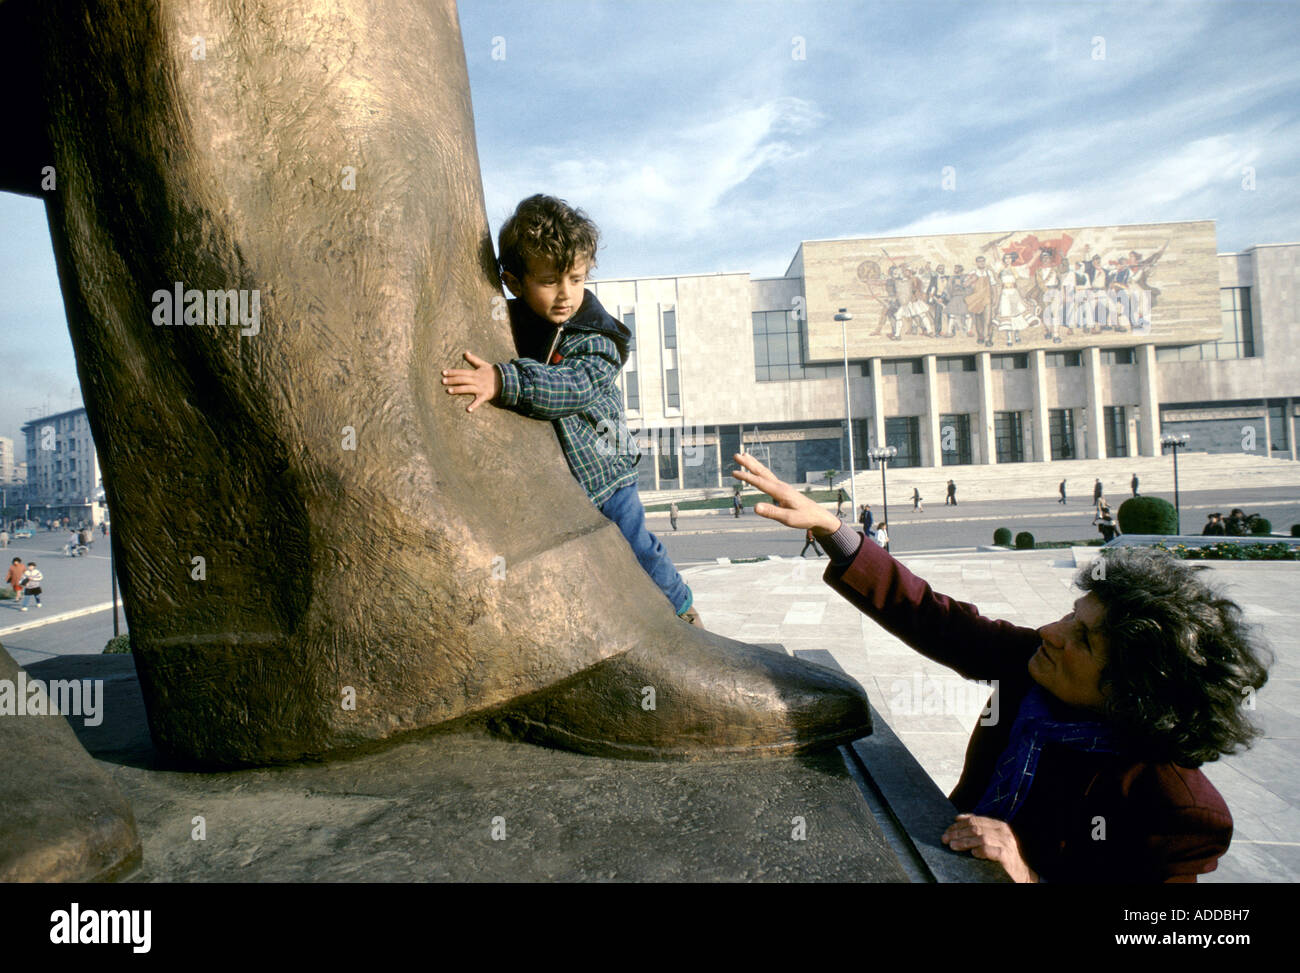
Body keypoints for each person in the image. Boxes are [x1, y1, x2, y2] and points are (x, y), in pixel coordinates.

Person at [731, 452, 1271, 883]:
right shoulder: (1031, 667)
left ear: (1133, 690)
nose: (1053, 633)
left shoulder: (1176, 807)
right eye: (1071, 616)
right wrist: (832, 528)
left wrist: (1028, 875)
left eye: (1082, 637)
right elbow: (932, 616)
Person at [441, 194, 699, 626]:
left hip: (604, 475)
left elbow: (572, 387)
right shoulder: (505, 322)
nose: (566, 295)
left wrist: (504, 381)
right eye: (549, 281)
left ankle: (683, 611)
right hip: (551, 483)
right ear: (513, 281)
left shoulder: (597, 337)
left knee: (635, 545)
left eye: (576, 279)